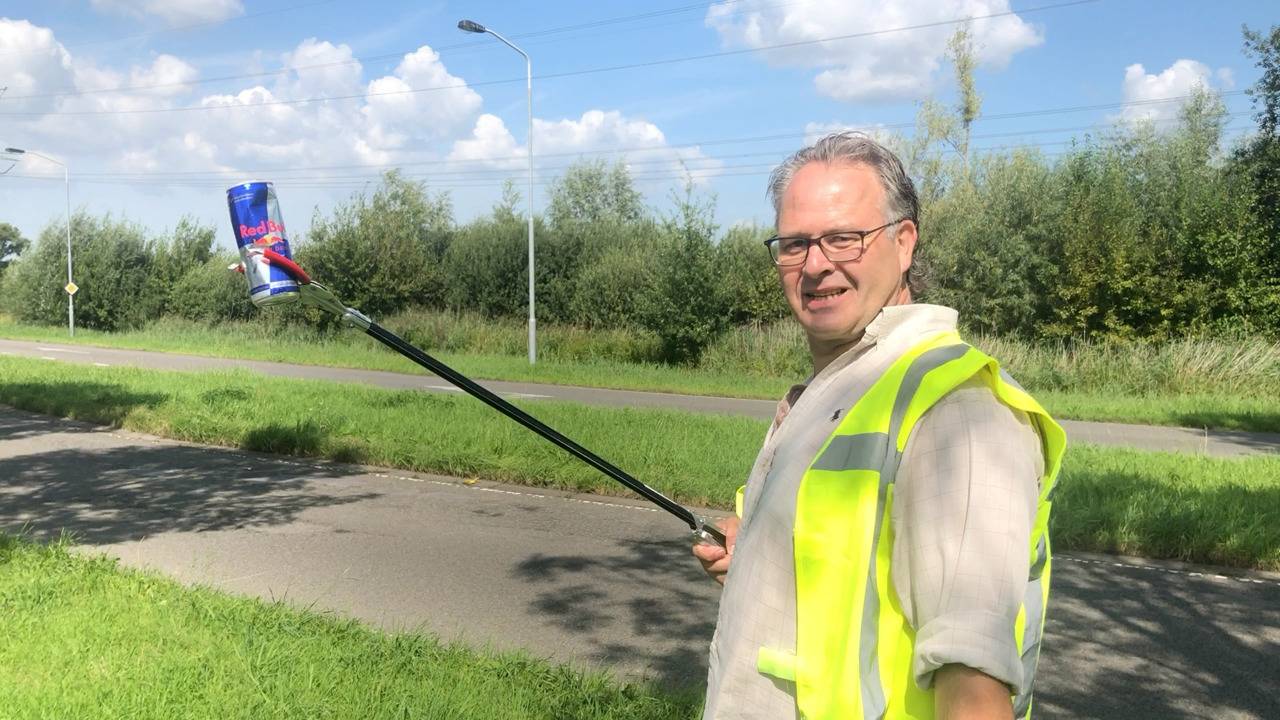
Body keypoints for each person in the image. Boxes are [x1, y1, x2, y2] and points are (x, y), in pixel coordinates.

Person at [692, 132, 1065, 720]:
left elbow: (974, 690)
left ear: (904, 242)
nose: (816, 264)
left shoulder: (957, 413)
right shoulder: (843, 388)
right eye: (795, 244)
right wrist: (766, 560)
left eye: (844, 237)